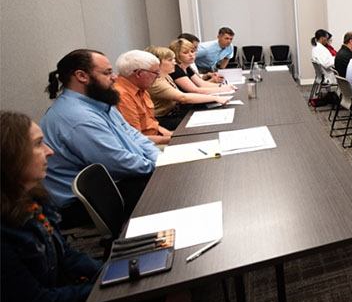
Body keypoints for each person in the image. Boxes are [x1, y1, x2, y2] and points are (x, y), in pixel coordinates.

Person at [0, 111, 190, 302]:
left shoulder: (31, 198)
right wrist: (105, 288)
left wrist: (106, 274)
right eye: (37, 145)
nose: (49, 151)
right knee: (166, 298)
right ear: (9, 158)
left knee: (163, 290)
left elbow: (66, 254)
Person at [41, 49, 159, 220]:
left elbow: (134, 135)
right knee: (173, 189)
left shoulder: (99, 103)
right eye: (107, 72)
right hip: (91, 201)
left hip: (117, 180)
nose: (114, 77)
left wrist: (158, 159)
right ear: (81, 76)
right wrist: (157, 166)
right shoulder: (77, 117)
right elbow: (115, 162)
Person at [145, 46, 229, 130]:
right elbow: (183, 97)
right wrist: (215, 97)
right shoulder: (156, 82)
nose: (174, 63)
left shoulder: (166, 76)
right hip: (164, 118)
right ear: (156, 63)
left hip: (174, 112)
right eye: (170, 60)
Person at [114, 50, 172, 146]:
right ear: (139, 73)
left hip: (156, 139)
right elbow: (135, 138)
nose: (158, 76)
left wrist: (175, 136)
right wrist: (169, 139)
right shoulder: (122, 96)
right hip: (146, 146)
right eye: (156, 72)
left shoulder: (141, 88)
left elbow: (152, 124)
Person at [169, 38, 236, 95]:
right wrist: (223, 89)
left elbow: (202, 84)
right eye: (185, 53)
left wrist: (223, 86)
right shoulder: (176, 69)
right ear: (176, 55)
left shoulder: (187, 67)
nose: (191, 55)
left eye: (192, 51)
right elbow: (195, 90)